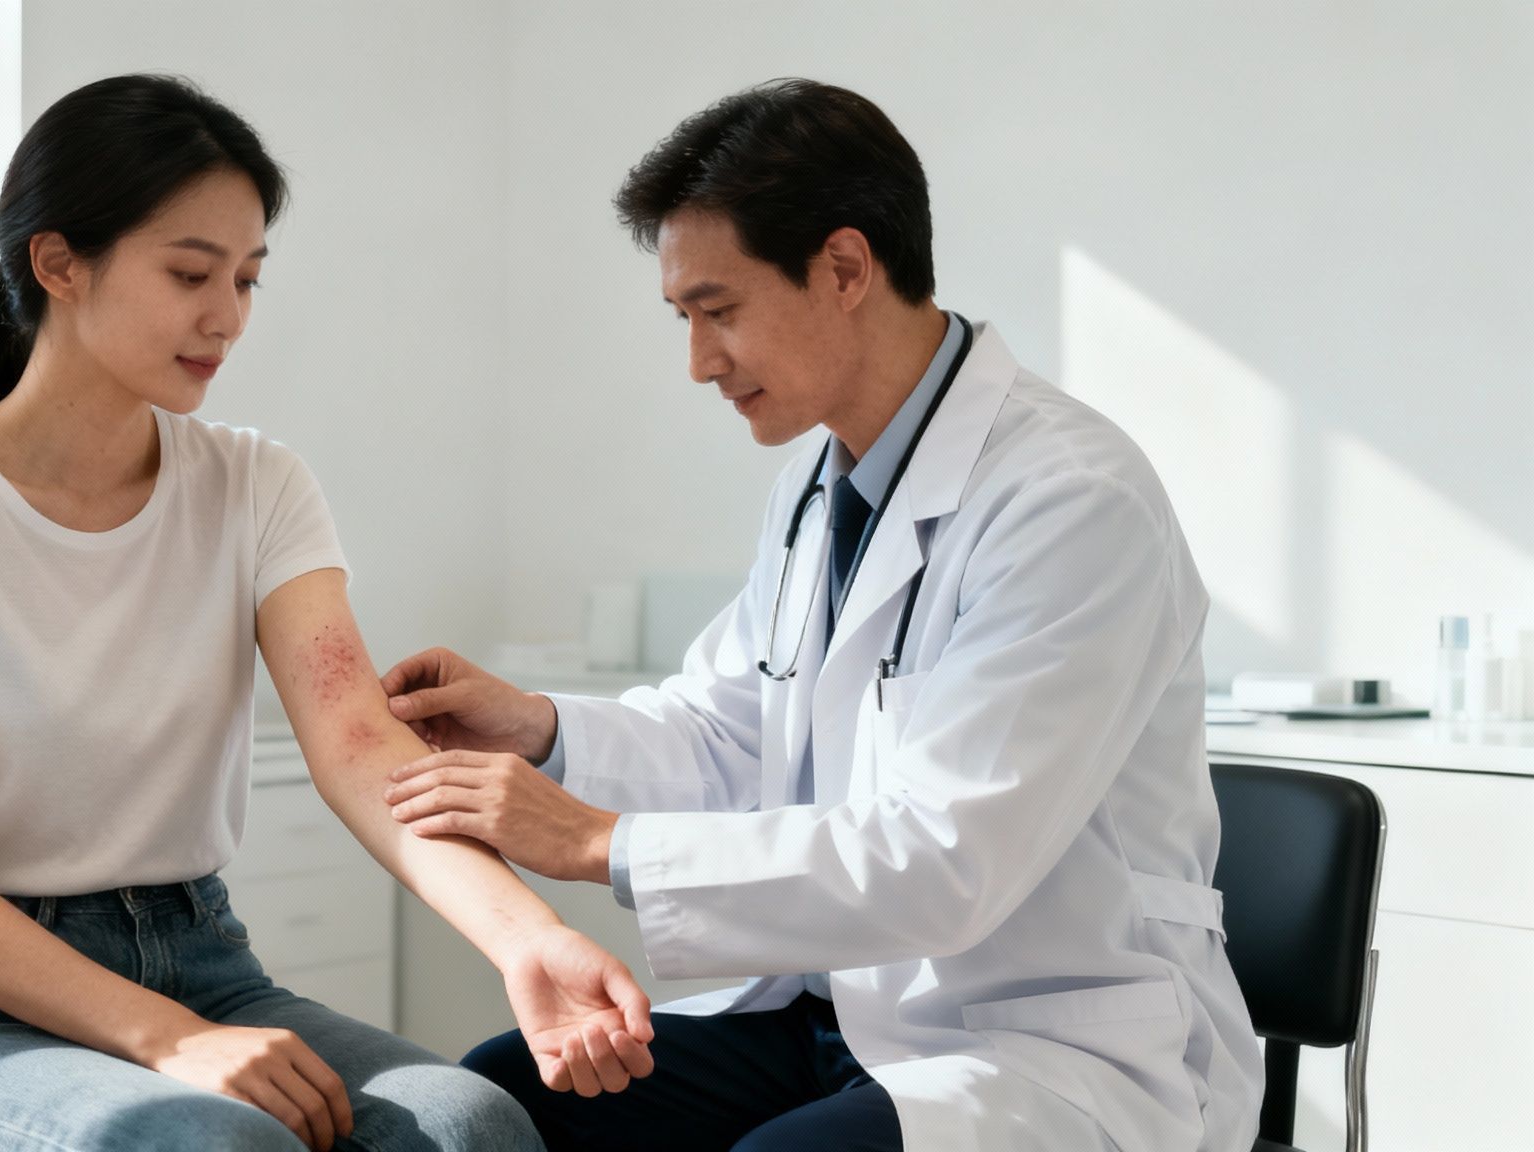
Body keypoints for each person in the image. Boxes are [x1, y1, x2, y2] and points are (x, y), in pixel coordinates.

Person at [378, 79, 1261, 1152]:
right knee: (496, 1100)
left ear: (844, 268)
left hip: (1044, 1040)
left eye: (718, 311)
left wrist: (593, 842)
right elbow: (728, 733)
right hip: (839, 1013)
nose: (699, 361)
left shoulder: (1069, 499)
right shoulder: (816, 489)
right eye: (683, 319)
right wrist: (541, 730)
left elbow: (944, 859)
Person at [0, 73, 654, 1152]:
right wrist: (167, 1039)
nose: (227, 317)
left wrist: (528, 938)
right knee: (213, 1145)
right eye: (190, 273)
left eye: (247, 278)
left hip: (205, 958)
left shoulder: (257, 485)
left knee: (471, 1127)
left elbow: (362, 751)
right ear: (58, 263)